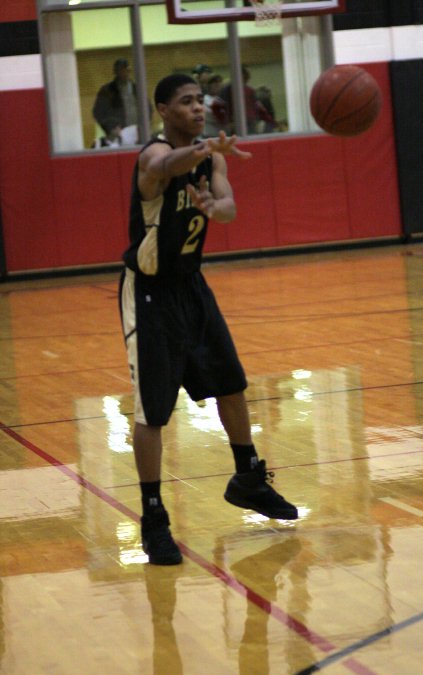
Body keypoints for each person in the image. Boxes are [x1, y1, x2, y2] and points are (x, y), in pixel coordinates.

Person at [119, 73, 298, 566]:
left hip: (192, 288)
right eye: (186, 102)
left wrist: (216, 206)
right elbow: (164, 164)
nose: (198, 108)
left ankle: (247, 477)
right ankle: (154, 517)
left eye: (200, 100)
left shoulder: (211, 157)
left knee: (231, 383)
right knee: (152, 411)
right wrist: (198, 154)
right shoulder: (154, 158)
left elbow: (229, 210)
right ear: (162, 110)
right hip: (150, 294)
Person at [92, 58, 144, 144]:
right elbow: (98, 112)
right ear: (116, 72)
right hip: (119, 134)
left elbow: (147, 108)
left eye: (125, 70)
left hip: (137, 132)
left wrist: (143, 126)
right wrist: (111, 128)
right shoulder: (107, 90)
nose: (124, 73)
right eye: (121, 70)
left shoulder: (136, 88)